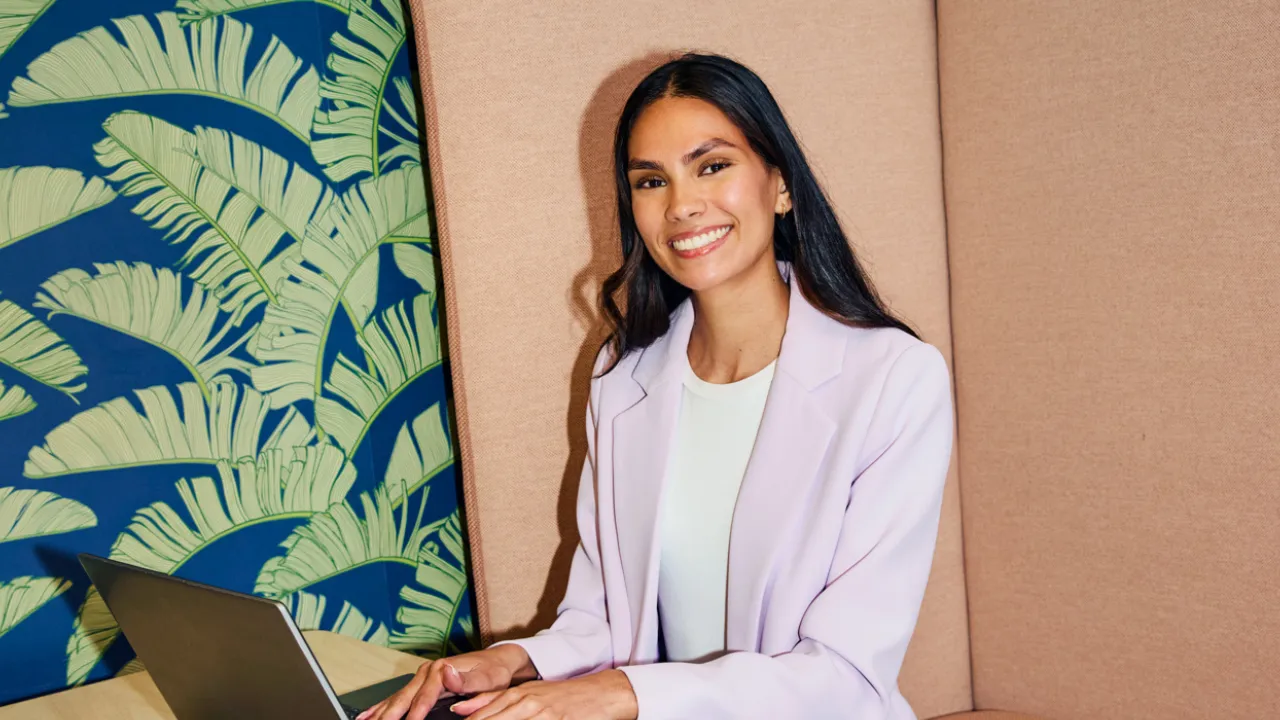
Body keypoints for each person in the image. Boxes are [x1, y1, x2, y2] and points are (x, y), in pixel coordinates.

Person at [362, 51, 953, 720]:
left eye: (712, 166)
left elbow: (846, 675)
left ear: (781, 185)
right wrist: (516, 662)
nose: (681, 206)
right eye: (650, 181)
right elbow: (603, 616)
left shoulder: (894, 381)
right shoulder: (622, 377)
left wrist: (627, 692)